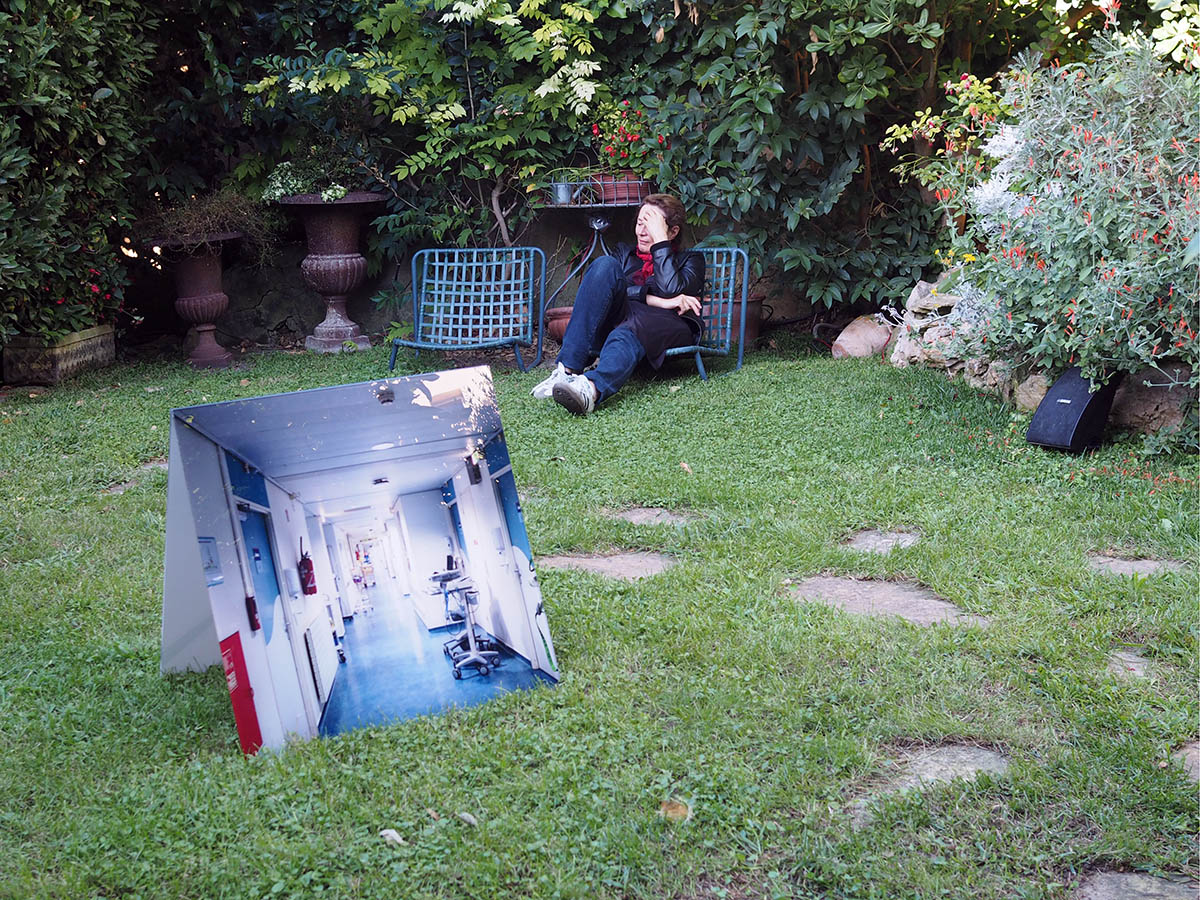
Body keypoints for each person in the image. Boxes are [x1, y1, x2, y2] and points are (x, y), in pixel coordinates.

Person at [531, 193, 705, 415]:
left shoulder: (691, 260)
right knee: (605, 266)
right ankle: (568, 372)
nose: (642, 231)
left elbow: (671, 289)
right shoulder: (623, 254)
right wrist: (660, 301)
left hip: (668, 327)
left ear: (672, 232)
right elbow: (607, 292)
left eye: (652, 226)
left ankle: (591, 388)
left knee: (630, 327)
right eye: (640, 223)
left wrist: (660, 242)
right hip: (625, 321)